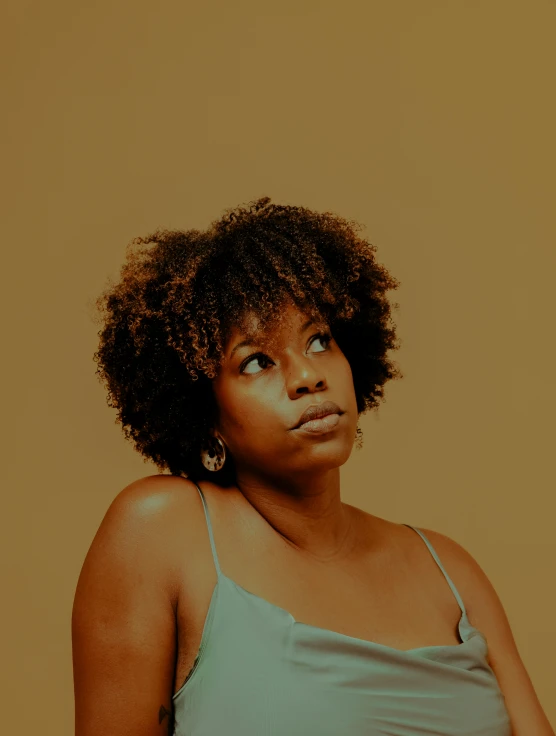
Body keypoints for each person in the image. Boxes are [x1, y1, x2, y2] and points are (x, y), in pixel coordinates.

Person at [72, 197, 554, 736]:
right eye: (257, 361)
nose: (307, 376)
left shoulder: (450, 571)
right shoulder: (162, 532)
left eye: (319, 340)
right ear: (204, 413)